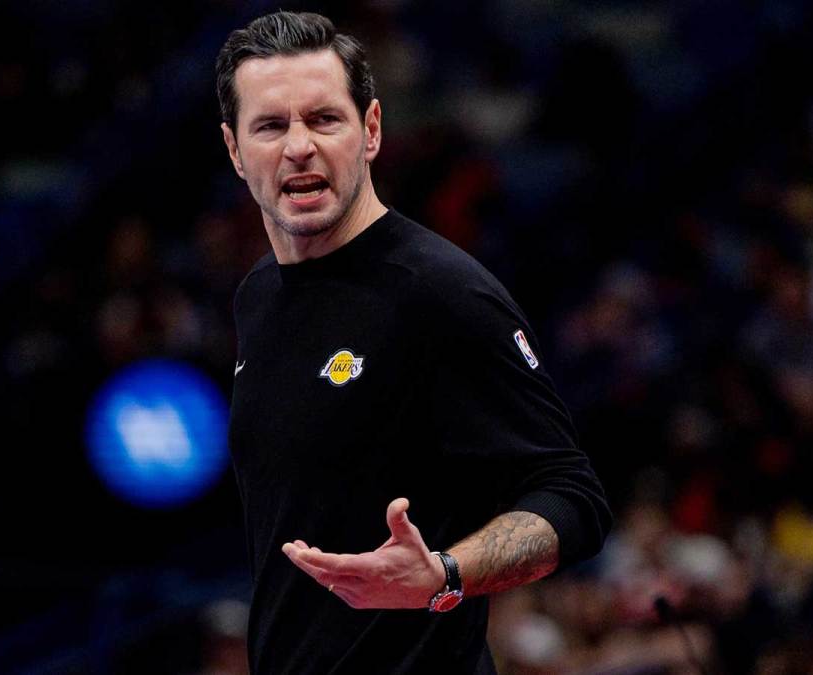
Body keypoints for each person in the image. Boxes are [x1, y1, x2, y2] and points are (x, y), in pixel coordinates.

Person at [216, 11, 612, 674]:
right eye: (271, 126)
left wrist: (446, 573)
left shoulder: (443, 293)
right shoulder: (257, 295)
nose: (299, 147)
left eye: (324, 119)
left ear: (371, 130)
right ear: (234, 149)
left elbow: (574, 498)